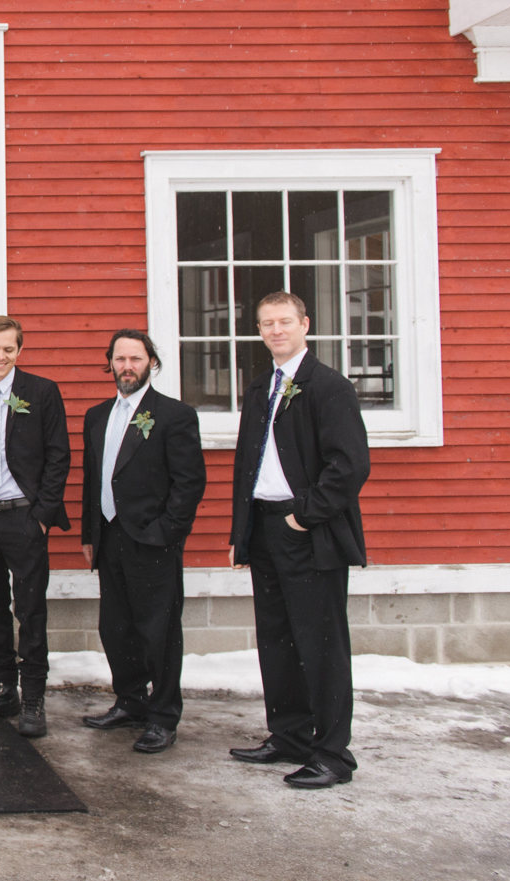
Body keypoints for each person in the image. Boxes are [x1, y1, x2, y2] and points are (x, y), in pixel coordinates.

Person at [227, 292, 370, 789]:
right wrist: (240, 533)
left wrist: (302, 517)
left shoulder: (329, 387)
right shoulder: (261, 386)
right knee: (278, 639)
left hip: (307, 532)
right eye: (266, 323)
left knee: (321, 644)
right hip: (264, 529)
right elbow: (248, 464)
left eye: (284, 322)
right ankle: (288, 736)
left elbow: (349, 466)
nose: (275, 331)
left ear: (305, 324)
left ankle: (332, 754)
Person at [78, 329, 206, 754]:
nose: (127, 367)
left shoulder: (174, 414)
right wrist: (88, 534)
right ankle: (130, 701)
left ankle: (163, 716)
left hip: (152, 540)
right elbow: (92, 479)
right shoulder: (97, 415)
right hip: (110, 536)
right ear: (110, 364)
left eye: (136, 358)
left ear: (151, 362)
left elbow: (189, 483)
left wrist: (167, 532)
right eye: (120, 359)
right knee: (116, 628)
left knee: (159, 631)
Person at [0, 315, 71, 737]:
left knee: (30, 609)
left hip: (23, 516)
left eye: (9, 349)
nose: (0, 356)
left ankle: (34, 698)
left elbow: (59, 456)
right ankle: (3, 690)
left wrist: (40, 515)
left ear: (19, 351)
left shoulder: (40, 392)